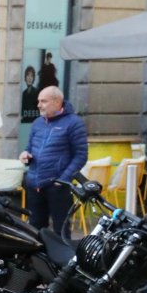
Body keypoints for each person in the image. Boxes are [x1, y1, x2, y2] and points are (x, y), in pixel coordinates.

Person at [19, 86, 88, 236]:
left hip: (58, 187)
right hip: (34, 184)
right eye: (38, 101)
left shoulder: (74, 123)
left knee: (61, 231)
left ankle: (61, 253)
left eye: (43, 101)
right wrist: (25, 155)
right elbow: (29, 147)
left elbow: (81, 155)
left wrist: (63, 179)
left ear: (57, 102)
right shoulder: (37, 123)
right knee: (34, 230)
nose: (39, 105)